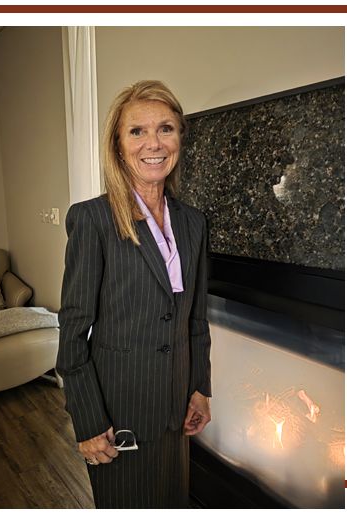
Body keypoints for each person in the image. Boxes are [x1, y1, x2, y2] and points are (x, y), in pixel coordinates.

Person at [56, 79, 212, 509]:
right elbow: (72, 330)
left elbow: (196, 317)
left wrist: (199, 387)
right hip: (118, 411)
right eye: (137, 131)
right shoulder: (93, 219)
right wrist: (88, 420)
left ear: (179, 138)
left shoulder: (193, 222)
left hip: (175, 405)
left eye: (166, 128)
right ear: (119, 145)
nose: (153, 143)